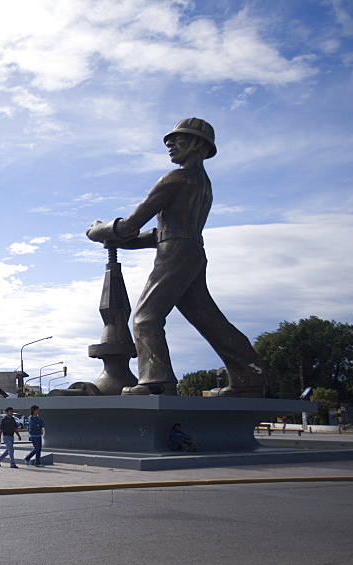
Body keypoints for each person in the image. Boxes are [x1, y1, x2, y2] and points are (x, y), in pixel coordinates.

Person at [86, 118, 265, 398]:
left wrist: (99, 230)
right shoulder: (202, 184)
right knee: (208, 318)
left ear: (197, 145)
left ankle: (156, 380)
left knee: (146, 318)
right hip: (190, 250)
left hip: (176, 253)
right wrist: (121, 239)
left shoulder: (175, 179)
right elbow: (162, 233)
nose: (169, 145)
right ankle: (249, 376)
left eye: (178, 140)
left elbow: (133, 226)